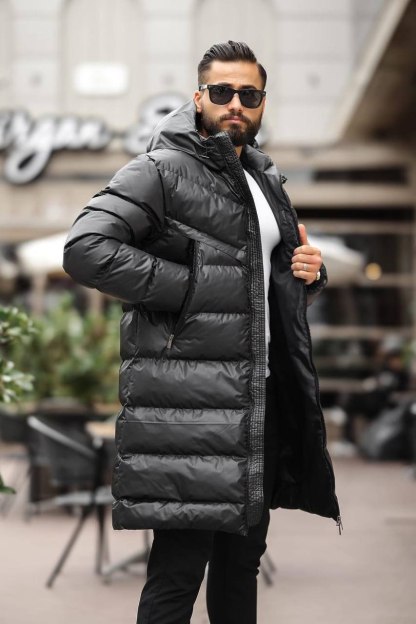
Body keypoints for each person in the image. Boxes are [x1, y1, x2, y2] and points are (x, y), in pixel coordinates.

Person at [63, 41, 341, 624]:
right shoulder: (160, 169)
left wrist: (307, 274)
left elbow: (261, 288)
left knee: (240, 570)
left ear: (262, 102)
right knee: (177, 574)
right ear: (198, 98)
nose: (235, 103)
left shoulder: (265, 179)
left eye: (249, 94)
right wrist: (191, 288)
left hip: (259, 402)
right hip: (191, 409)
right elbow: (86, 249)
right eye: (222, 91)